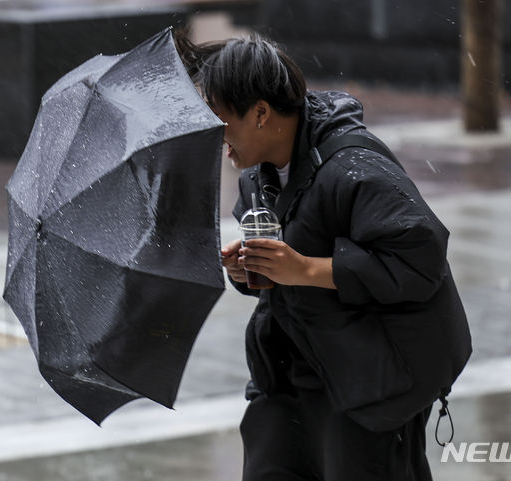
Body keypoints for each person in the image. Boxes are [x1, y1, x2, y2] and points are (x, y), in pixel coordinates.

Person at [176, 31, 472, 481]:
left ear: (260, 113)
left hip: (366, 387)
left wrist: (308, 269)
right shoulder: (258, 175)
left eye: (221, 122)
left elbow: (420, 259)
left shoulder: (353, 167)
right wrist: (251, 268)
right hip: (288, 374)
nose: (218, 139)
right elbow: (284, 264)